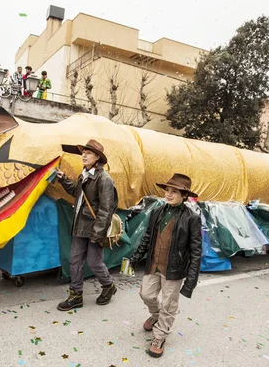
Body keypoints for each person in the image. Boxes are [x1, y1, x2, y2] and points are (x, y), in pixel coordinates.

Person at [129, 173, 202, 358]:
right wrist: (136, 257)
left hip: (174, 270)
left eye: (174, 192)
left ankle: (159, 337)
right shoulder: (157, 211)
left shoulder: (191, 217)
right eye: (168, 190)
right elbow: (147, 237)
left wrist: (190, 281)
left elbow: (196, 251)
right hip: (154, 263)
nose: (168, 194)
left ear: (184, 195)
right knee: (146, 294)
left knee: (169, 304)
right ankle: (156, 315)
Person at [55, 139, 117, 311]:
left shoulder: (104, 179)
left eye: (88, 153)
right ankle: (76, 295)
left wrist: (98, 234)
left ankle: (108, 285)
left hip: (94, 227)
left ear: (97, 157)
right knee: (74, 260)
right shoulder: (85, 174)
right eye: (83, 152)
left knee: (94, 262)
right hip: (80, 225)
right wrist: (63, 180)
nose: (84, 155)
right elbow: (78, 193)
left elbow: (106, 209)